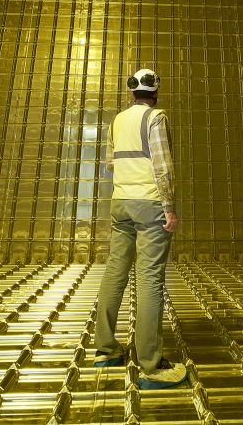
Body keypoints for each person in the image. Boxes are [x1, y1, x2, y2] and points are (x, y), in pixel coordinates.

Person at [92, 68, 189, 389]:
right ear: (156, 92)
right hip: (149, 204)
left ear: (132, 92)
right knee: (149, 278)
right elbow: (163, 165)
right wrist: (169, 208)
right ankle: (150, 365)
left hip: (120, 203)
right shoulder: (156, 118)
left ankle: (106, 350)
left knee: (115, 271)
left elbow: (109, 163)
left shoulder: (118, 120)